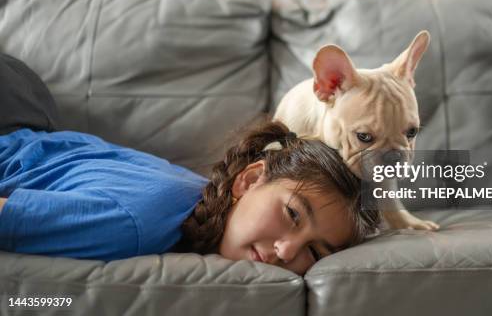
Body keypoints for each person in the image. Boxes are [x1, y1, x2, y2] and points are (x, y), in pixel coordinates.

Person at [0, 54, 379, 275]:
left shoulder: (200, 198)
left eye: (314, 252)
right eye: (293, 215)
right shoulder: (133, 226)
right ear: (248, 181)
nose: (286, 251)